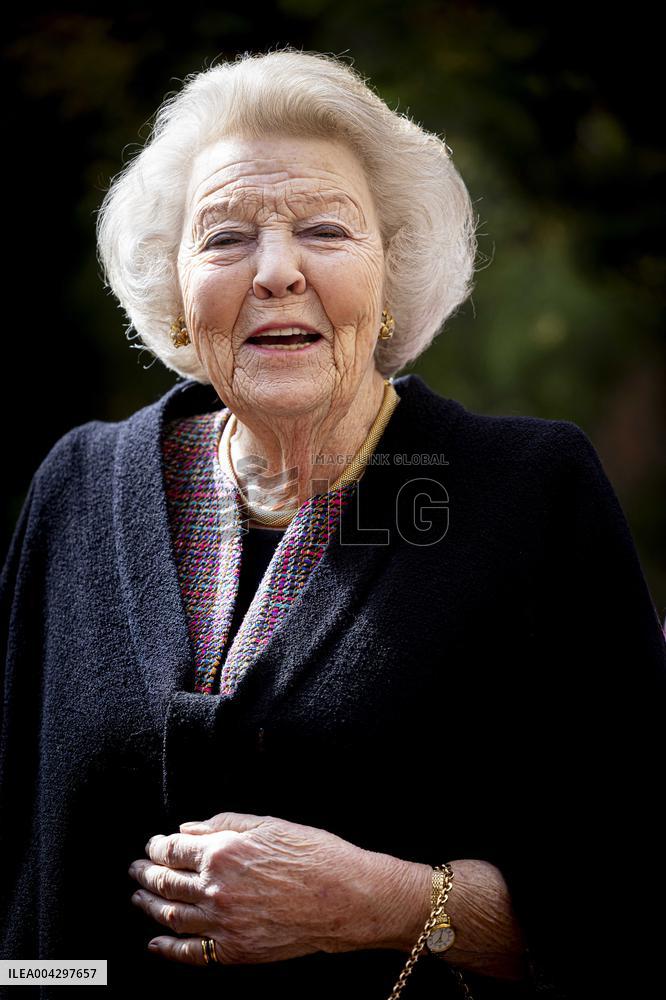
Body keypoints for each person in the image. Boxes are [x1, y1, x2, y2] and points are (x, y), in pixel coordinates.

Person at [1, 48, 665, 1000]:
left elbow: (635, 902)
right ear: (177, 296)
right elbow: (18, 885)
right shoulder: (76, 486)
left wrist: (385, 905)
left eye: (324, 229)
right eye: (225, 237)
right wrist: (52, 985)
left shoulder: (532, 494)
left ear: (391, 276)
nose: (276, 272)